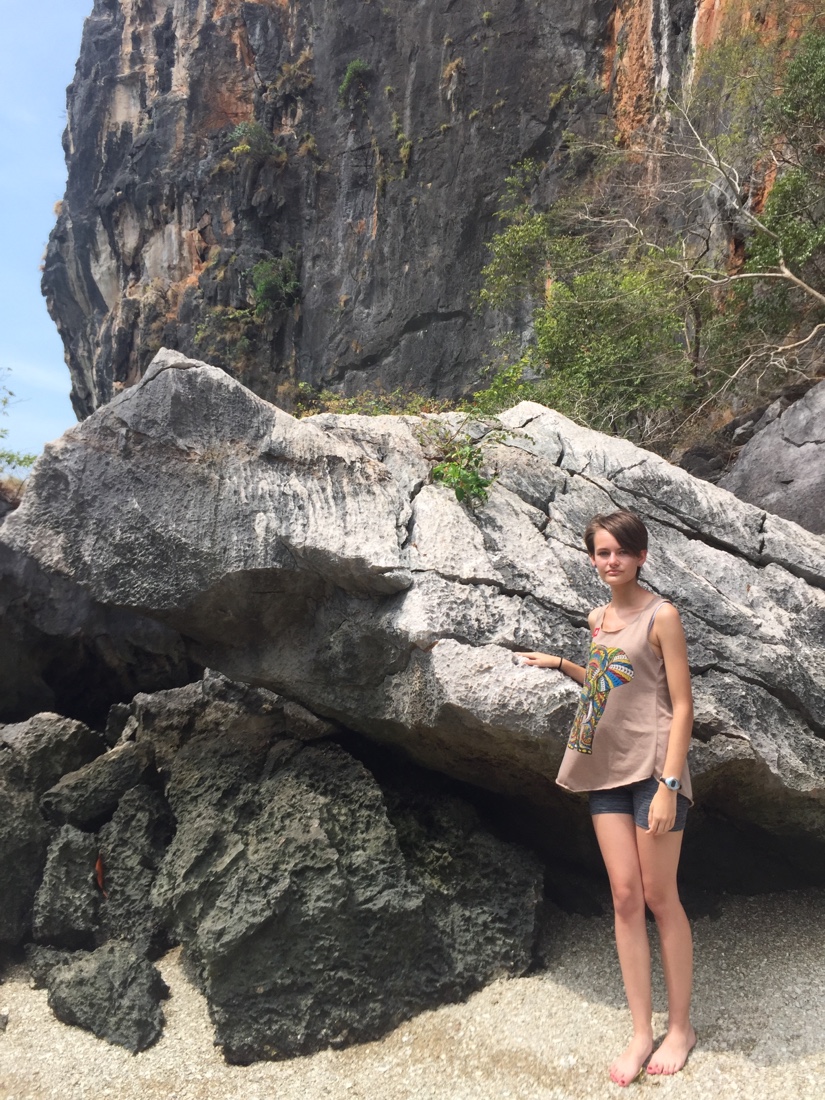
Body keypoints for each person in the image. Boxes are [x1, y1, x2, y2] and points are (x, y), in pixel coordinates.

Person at [521, 509, 695, 1086]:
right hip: (606, 770)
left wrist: (670, 785)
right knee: (624, 897)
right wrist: (561, 663)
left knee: (660, 897)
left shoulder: (662, 615)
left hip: (655, 773)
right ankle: (641, 1032)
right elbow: (609, 682)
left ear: (641, 556)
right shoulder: (598, 618)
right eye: (602, 552)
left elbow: (682, 706)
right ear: (593, 559)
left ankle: (680, 1027)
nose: (612, 560)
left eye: (622, 551)